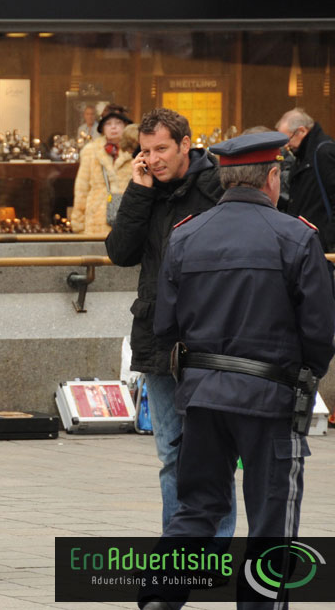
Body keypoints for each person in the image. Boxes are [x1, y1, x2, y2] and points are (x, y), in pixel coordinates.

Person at [142, 132, 335, 610]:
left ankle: (159, 598)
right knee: (272, 520)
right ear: (273, 177)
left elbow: (165, 324)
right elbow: (319, 332)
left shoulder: (185, 234)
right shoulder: (296, 236)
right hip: (271, 398)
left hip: (203, 395)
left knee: (196, 509)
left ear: (224, 177)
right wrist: (307, 374)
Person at [105, 108, 236, 537]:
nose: (153, 158)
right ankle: (176, 550)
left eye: (161, 148)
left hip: (209, 338)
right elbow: (120, 252)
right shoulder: (146, 189)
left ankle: (214, 551)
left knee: (213, 452)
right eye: (145, 151)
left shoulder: (217, 187)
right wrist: (138, 192)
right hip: (158, 339)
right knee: (171, 452)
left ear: (185, 144)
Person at [275, 108, 335, 251]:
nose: (286, 146)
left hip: (322, 242)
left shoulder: (323, 153)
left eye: (287, 139)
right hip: (309, 239)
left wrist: (330, 238)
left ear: (301, 131)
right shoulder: (304, 155)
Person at [71, 104, 134, 235]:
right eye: (108, 124)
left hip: (128, 216)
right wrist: (78, 223)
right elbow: (81, 189)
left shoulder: (134, 151)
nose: (114, 127)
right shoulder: (90, 151)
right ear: (102, 128)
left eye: (118, 123)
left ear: (125, 126)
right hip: (96, 217)